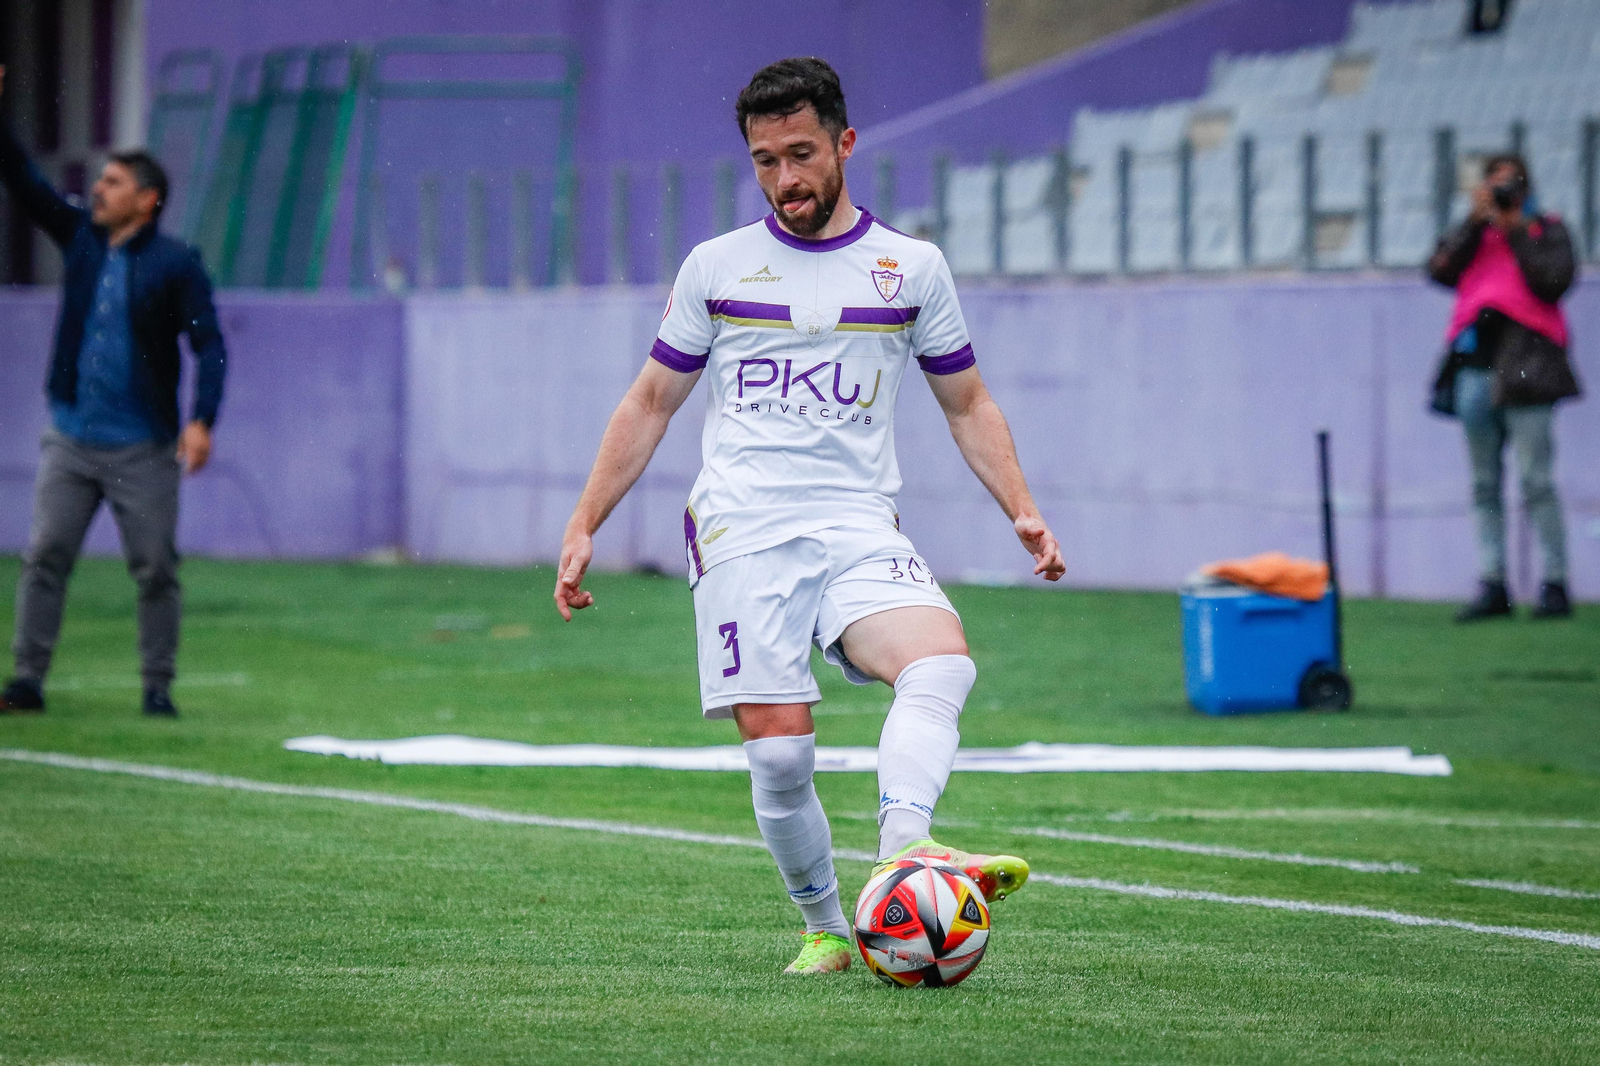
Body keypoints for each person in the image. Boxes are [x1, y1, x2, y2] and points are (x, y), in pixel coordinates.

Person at [553, 58, 1065, 975]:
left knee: (941, 661)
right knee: (783, 759)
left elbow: (969, 403)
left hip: (860, 521)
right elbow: (650, 403)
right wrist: (587, 520)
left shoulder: (911, 269)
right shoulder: (717, 267)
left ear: (844, 145)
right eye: (764, 161)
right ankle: (829, 926)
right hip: (743, 530)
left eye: (800, 154)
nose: (785, 179)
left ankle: (907, 852)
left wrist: (1021, 509)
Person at [0, 65, 227, 718]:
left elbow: (209, 343)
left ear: (147, 199)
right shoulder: (80, 239)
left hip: (142, 449)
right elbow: (24, 181)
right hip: (71, 438)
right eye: (99, 181)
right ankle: (26, 680)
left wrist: (201, 420)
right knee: (44, 556)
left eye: (113, 183)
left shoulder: (177, 265)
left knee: (155, 569)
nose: (97, 191)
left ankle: (157, 687)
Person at [1428, 154, 1580, 622]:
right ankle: (1493, 582)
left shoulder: (1546, 229)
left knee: (1536, 479)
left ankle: (1554, 582)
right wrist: (1474, 223)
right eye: (1493, 186)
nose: (1501, 195)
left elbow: (1553, 281)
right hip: (1475, 367)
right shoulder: (1477, 233)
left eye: (1509, 186)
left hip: (1527, 370)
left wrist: (1516, 227)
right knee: (1483, 484)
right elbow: (1439, 270)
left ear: (1527, 187)